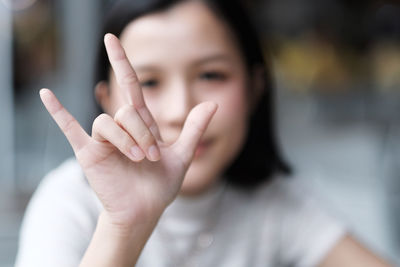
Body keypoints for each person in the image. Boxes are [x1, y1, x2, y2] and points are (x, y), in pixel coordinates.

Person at [16, 0, 392, 266]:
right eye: (148, 81)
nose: (182, 110)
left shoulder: (274, 203)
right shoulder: (68, 202)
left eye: (211, 75)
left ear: (255, 88)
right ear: (106, 99)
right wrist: (124, 226)